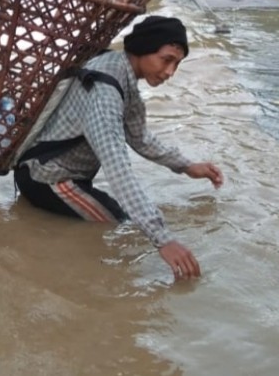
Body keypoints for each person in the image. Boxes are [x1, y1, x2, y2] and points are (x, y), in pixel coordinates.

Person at [13, 15, 223, 281]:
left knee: (124, 221)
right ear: (144, 48)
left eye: (177, 64)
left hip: (56, 175)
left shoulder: (120, 72)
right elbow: (118, 170)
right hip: (50, 179)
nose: (170, 72)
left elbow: (140, 138)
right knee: (119, 226)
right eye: (166, 59)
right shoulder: (105, 93)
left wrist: (187, 166)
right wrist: (164, 239)